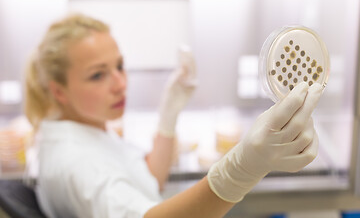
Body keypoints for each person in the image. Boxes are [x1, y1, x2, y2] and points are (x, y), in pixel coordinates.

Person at [24, 14, 323, 218]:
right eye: (98, 75)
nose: (120, 83)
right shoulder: (77, 163)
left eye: (119, 66)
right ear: (59, 91)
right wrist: (240, 171)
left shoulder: (80, 127)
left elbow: (149, 179)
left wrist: (169, 116)